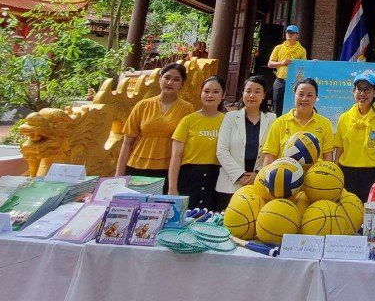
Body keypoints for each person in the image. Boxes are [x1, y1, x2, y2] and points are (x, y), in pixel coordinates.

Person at [115, 63, 196, 193]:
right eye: (166, 77)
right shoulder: (143, 105)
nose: (170, 82)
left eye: (176, 79)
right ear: (160, 80)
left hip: (168, 170)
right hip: (137, 166)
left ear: (182, 84)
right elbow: (127, 142)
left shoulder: (187, 109)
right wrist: (118, 178)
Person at [214, 75, 276, 208]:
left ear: (264, 95)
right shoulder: (230, 117)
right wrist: (240, 175)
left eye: (257, 91)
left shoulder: (272, 119)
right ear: (243, 93)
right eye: (248, 91)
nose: (252, 95)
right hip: (231, 184)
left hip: (259, 184)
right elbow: (221, 151)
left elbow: (274, 151)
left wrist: (258, 175)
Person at [167, 75, 226, 210]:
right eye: (206, 91)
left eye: (216, 92)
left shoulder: (228, 121)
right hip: (189, 178)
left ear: (223, 95)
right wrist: (172, 188)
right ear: (201, 93)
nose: (210, 95)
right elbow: (176, 156)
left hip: (216, 179)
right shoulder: (188, 121)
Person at [335, 74, 375, 200]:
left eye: (367, 89)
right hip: (347, 174)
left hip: (373, 175)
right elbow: (338, 152)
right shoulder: (344, 118)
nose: (362, 93)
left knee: (369, 216)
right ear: (353, 91)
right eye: (359, 89)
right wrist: (335, 177)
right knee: (347, 213)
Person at [261, 77, 336, 165]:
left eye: (309, 95)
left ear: (316, 97)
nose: (304, 99)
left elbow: (327, 158)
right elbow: (269, 156)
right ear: (294, 95)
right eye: (300, 94)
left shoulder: (325, 124)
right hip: (285, 177)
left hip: (314, 177)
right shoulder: (280, 122)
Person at [267, 24, 306, 116]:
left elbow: (304, 66)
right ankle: (277, 123)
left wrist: (312, 63)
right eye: (288, 32)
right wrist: (281, 63)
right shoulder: (278, 48)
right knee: (277, 105)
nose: (289, 34)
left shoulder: (301, 50)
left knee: (293, 104)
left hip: (294, 82)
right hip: (280, 81)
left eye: (292, 33)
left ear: (297, 35)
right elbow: (270, 64)